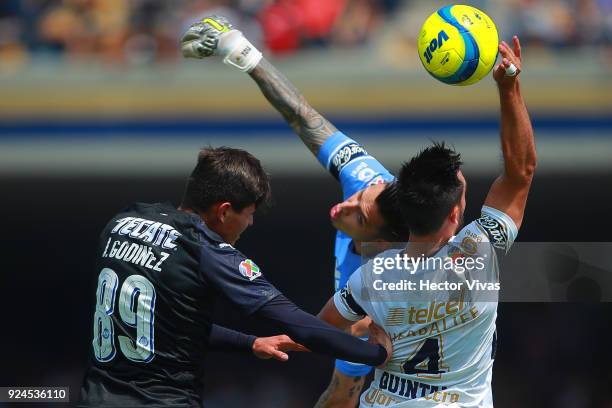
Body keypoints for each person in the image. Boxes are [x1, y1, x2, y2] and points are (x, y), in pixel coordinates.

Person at [181, 16, 411, 408]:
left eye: (358, 215)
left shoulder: (390, 287)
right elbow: (303, 116)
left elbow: (340, 368)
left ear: (381, 240)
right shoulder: (365, 175)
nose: (345, 203)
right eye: (359, 195)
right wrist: (241, 51)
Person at [78, 146, 392, 407]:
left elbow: (162, 324)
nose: (251, 223)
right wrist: (375, 353)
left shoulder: (122, 224)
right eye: (250, 213)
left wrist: (249, 342)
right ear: (225, 211)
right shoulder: (206, 250)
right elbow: (297, 323)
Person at [317, 37, 536, 406]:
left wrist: (365, 342)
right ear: (454, 214)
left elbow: (315, 331)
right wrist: (509, 86)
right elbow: (521, 172)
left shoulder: (372, 276)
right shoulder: (478, 253)